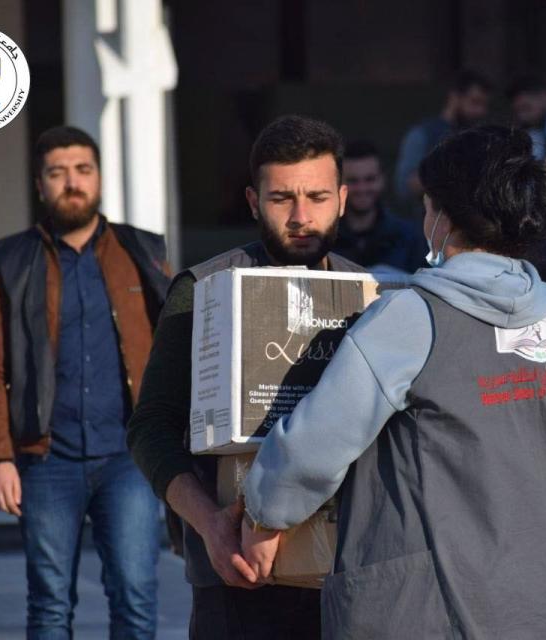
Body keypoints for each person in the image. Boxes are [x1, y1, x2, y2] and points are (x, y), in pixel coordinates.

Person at [239, 125, 546, 639]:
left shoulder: (412, 317)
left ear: (445, 217)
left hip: (436, 601)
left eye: (428, 207)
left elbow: (317, 445)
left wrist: (264, 514)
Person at [126, 115, 364, 639]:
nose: (301, 216)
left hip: (343, 576)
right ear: (254, 203)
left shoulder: (366, 294)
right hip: (233, 578)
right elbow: (150, 428)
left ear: (343, 199)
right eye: (282, 199)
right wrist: (210, 525)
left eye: (318, 197)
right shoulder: (203, 290)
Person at [0, 125, 171, 639]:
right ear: (40, 185)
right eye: (57, 173)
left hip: (130, 457)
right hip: (45, 460)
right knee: (50, 606)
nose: (71, 183)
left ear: (99, 178)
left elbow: (179, 349)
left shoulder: (141, 251)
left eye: (82, 170)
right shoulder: (12, 261)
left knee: (135, 600)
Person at [393, 70, 491, 204]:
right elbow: (405, 186)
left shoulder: (482, 138)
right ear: (455, 97)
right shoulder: (423, 134)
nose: (480, 111)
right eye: (475, 102)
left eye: (484, 105)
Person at [333, 140, 426, 273]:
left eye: (369, 179)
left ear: (382, 180)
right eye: (353, 181)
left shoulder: (411, 237)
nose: (362, 188)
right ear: (339, 183)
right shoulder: (326, 238)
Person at [506, 75, 546, 160]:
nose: (522, 117)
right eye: (518, 112)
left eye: (526, 108)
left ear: (544, 97)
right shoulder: (536, 131)